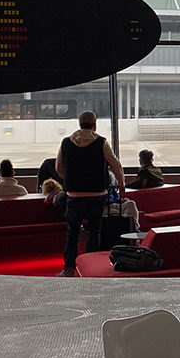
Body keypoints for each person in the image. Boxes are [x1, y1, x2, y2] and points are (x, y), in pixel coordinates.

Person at [54, 111, 126, 276]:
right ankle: (90, 268)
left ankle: (69, 267)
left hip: (73, 194)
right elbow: (115, 165)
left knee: (72, 231)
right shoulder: (101, 142)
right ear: (94, 124)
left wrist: (70, 179)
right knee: (94, 230)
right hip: (96, 194)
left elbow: (59, 167)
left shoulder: (66, 142)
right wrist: (121, 184)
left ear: (80, 124)